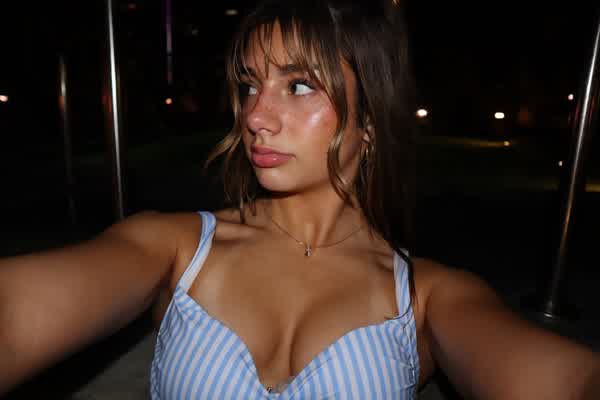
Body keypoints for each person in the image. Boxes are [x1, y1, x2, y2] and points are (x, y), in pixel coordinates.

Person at [1, 0, 599, 398]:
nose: (256, 116)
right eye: (250, 85)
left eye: (299, 85)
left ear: (370, 120)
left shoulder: (427, 297)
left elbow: (569, 382)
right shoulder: (175, 248)